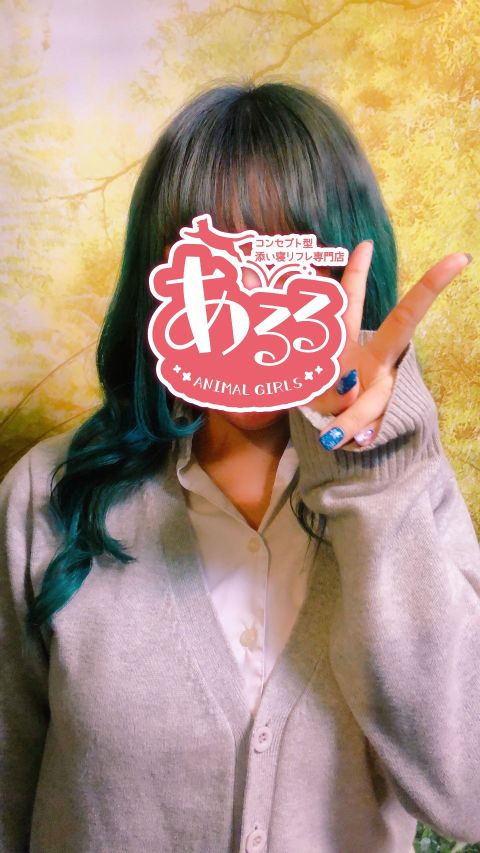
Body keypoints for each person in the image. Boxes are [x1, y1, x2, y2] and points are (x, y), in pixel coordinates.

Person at [1, 80, 479, 853]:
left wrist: (373, 476)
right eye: (222, 269)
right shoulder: (46, 497)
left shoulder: (409, 497)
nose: (258, 312)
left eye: (292, 266)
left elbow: (470, 793)